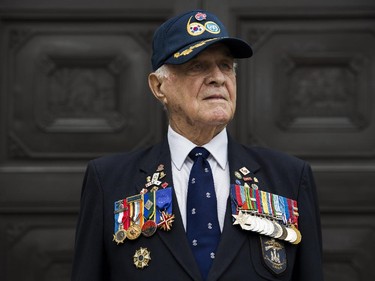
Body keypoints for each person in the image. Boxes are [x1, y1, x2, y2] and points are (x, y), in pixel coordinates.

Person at [71, 10, 324, 281]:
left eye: (226, 65)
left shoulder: (289, 177)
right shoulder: (109, 180)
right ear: (159, 87)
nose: (218, 77)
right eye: (198, 66)